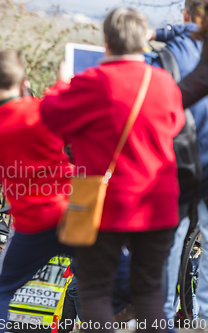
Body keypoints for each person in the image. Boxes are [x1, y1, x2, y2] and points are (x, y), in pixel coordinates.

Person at [40, 8, 185, 333]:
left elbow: (50, 115)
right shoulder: (164, 83)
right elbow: (175, 124)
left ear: (106, 42)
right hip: (158, 206)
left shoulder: (92, 82)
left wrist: (61, 84)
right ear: (143, 41)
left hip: (105, 206)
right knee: (149, 295)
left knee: (94, 292)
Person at [0, 49, 74, 333]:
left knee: (3, 291)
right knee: (111, 273)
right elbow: (62, 105)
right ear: (24, 80)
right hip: (69, 214)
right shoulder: (46, 109)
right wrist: (62, 81)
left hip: (30, 226)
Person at [144, 0, 208, 324]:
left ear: (188, 15)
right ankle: (202, 319)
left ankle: (163, 318)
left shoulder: (165, 57)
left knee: (168, 243)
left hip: (175, 163)